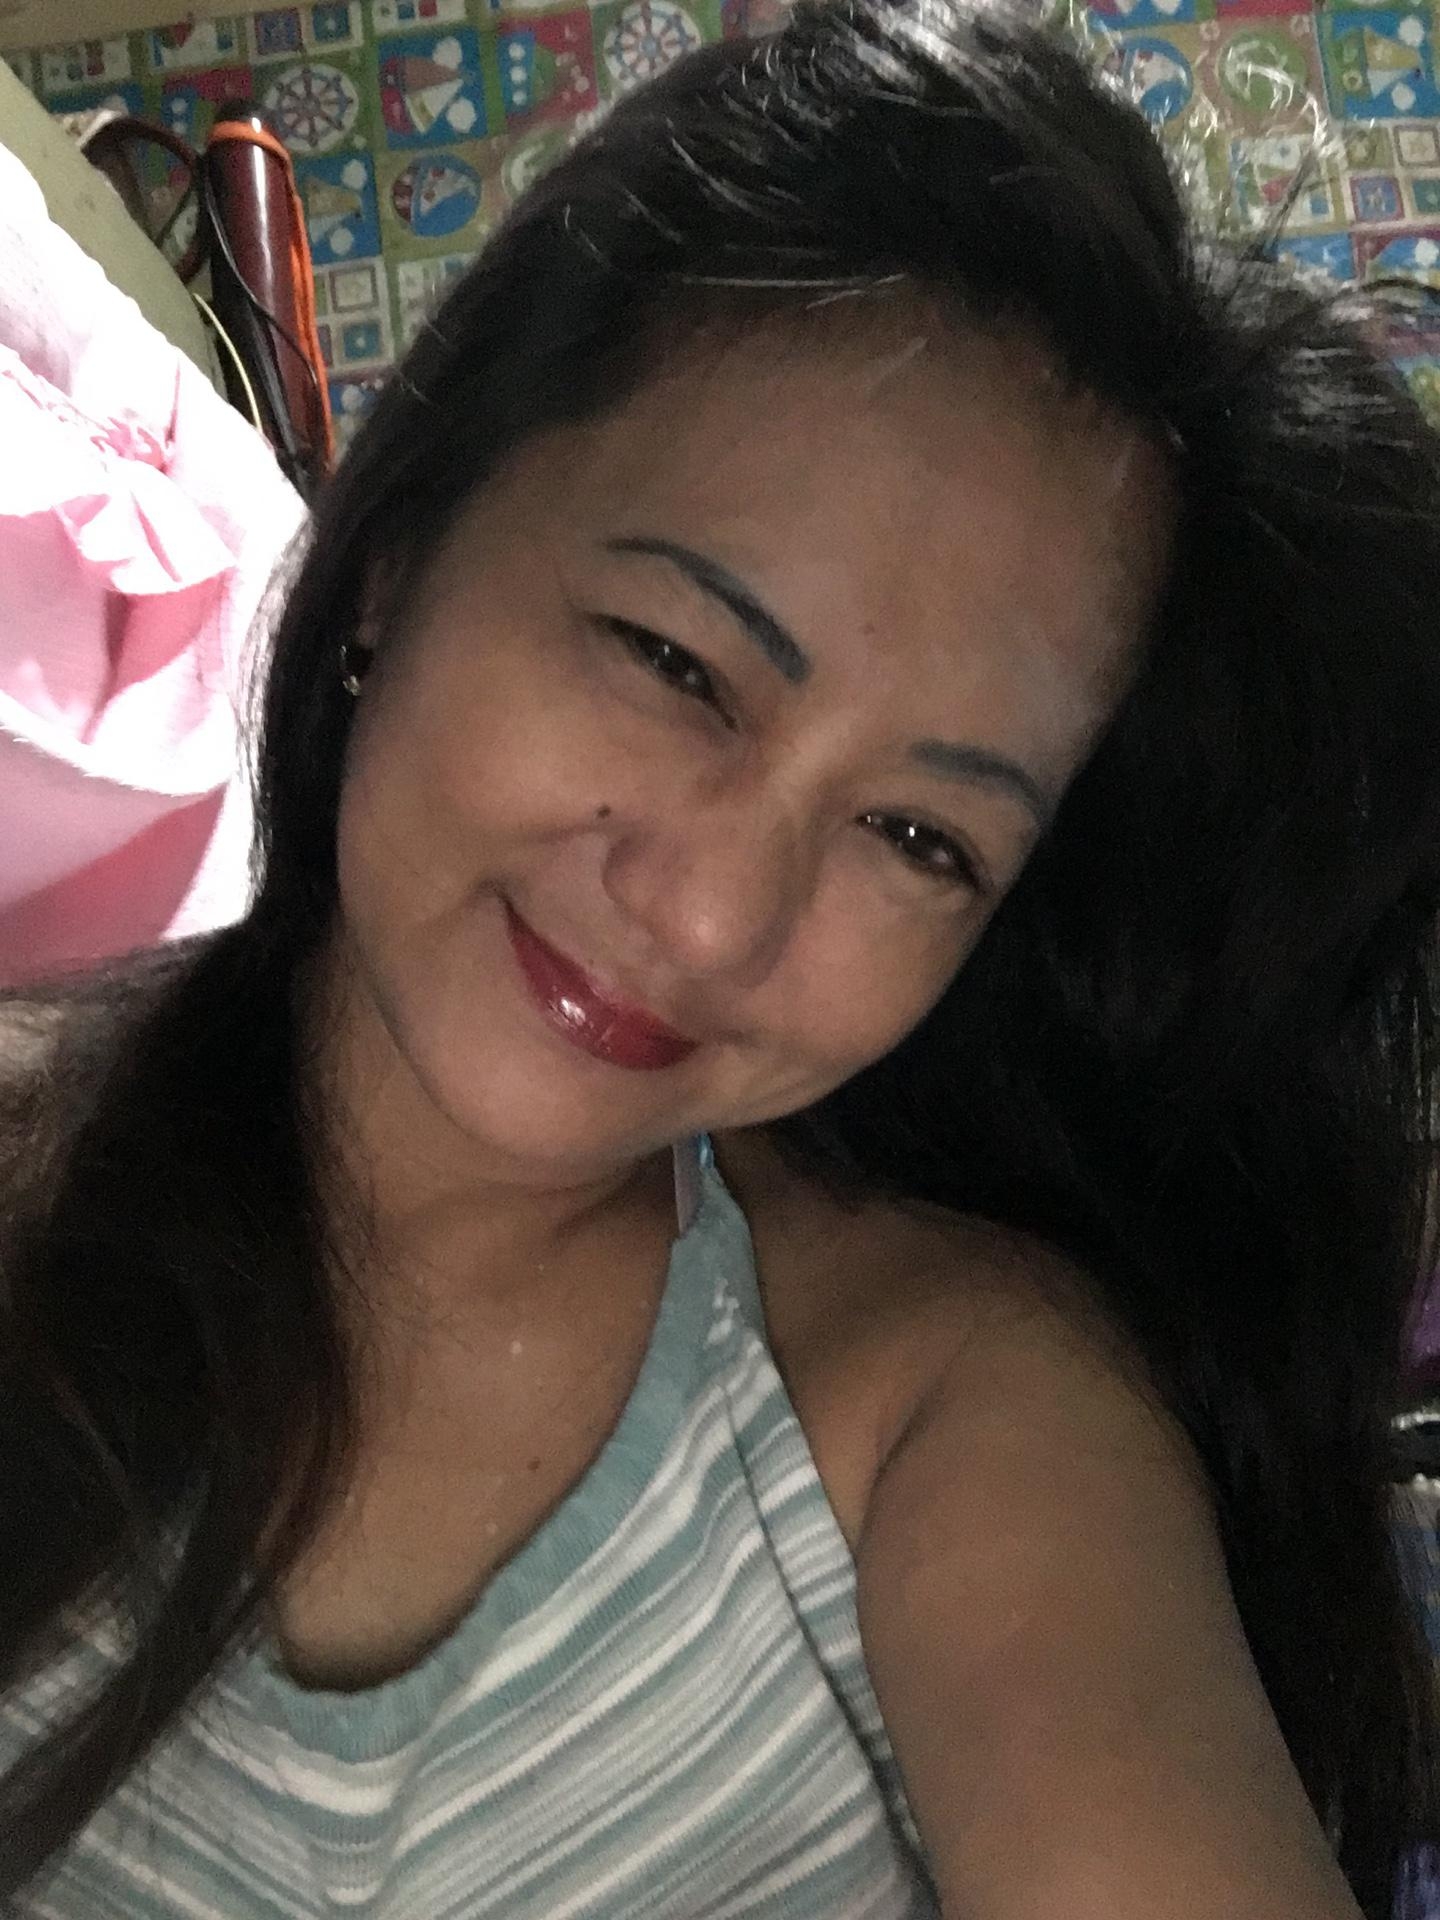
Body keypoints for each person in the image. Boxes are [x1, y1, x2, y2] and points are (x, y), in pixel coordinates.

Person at [2, 0, 1438, 1913]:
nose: (710, 917)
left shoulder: (942, 1413)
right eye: (674, 660)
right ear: (405, 546)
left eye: (921, 839)